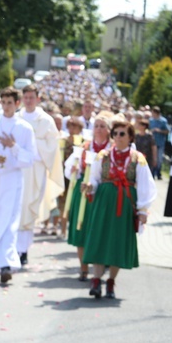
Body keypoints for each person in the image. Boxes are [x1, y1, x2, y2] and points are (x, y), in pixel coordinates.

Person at [82, 119, 157, 299]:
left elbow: (147, 186)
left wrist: (142, 210)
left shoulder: (138, 158)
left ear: (130, 136)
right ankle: (96, 280)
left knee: (117, 242)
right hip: (104, 203)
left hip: (124, 205)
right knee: (100, 240)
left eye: (122, 133)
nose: (117, 137)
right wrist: (89, 187)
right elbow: (96, 179)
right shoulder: (103, 155)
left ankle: (110, 282)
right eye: (115, 133)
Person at [0, 87, 36, 283]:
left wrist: (14, 147)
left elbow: (30, 158)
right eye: (4, 102)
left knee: (9, 222)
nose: (7, 106)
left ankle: (4, 265)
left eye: (10, 102)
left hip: (12, 179)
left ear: (17, 104)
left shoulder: (24, 128)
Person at [16, 85, 64, 265]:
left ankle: (24, 250)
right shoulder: (16, 117)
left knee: (28, 209)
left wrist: (30, 144)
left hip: (35, 170)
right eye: (26, 97)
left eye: (31, 97)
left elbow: (52, 146)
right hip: (17, 169)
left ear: (37, 99)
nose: (28, 100)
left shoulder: (45, 121)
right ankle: (13, 249)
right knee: (15, 209)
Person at [64, 112, 112, 281]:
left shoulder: (112, 149)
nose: (98, 129)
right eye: (96, 126)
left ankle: (99, 268)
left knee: (101, 231)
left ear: (108, 130)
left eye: (102, 126)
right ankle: (83, 268)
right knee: (81, 230)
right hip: (83, 192)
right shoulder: (85, 147)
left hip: (103, 195)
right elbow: (70, 166)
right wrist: (73, 171)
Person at [148, 105, 170, 179]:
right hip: (152, 143)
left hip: (160, 143)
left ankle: (158, 172)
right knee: (152, 158)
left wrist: (159, 131)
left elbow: (167, 131)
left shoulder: (163, 121)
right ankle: (152, 173)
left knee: (159, 159)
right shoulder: (150, 120)